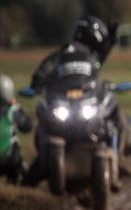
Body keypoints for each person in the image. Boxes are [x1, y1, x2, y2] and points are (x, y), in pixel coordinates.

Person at [24, 15, 118, 186]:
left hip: (85, 104)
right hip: (63, 106)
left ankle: (114, 168)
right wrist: (37, 85)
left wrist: (111, 41)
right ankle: (30, 181)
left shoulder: (90, 58)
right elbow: (45, 69)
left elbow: (98, 63)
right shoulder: (64, 54)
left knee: (108, 125)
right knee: (45, 126)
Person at [0, 74, 32, 184]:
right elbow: (27, 126)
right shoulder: (13, 110)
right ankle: (18, 178)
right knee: (14, 142)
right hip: (8, 161)